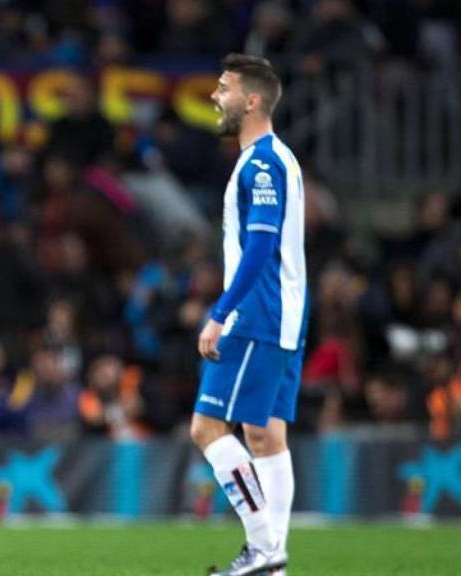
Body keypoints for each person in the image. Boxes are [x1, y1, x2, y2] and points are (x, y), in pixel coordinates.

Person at [190, 54, 308, 576]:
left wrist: (221, 312)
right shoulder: (280, 158)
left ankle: (263, 548)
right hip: (287, 314)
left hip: (257, 314)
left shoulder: (261, 163)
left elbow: (260, 244)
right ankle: (272, 566)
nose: (215, 97)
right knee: (265, 436)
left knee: (206, 428)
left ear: (252, 100)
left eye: (224, 88)